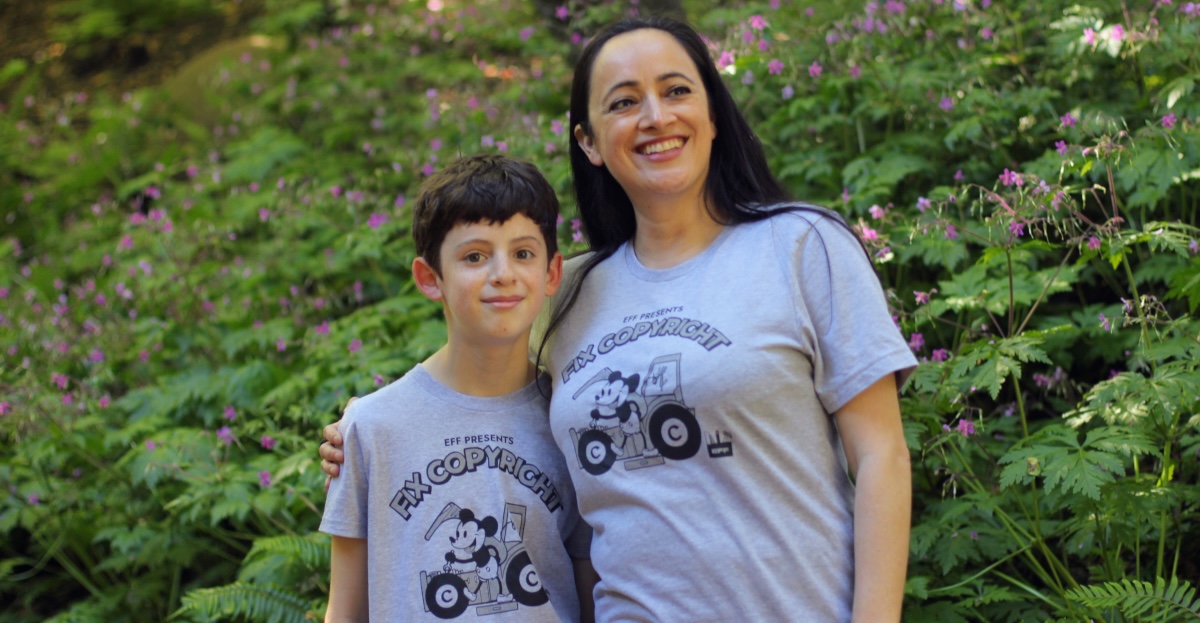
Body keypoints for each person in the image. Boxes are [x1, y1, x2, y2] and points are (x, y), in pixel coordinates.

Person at [323, 16, 916, 622]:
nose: (656, 116)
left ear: (713, 114)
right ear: (589, 142)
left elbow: (882, 458)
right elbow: (486, 380)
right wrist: (372, 435)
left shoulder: (803, 246)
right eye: (625, 102)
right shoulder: (569, 291)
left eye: (677, 90)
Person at [320, 154, 595, 623]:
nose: (503, 273)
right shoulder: (370, 429)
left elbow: (593, 595)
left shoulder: (571, 417)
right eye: (474, 256)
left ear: (552, 273)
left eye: (523, 253)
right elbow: (345, 611)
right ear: (431, 279)